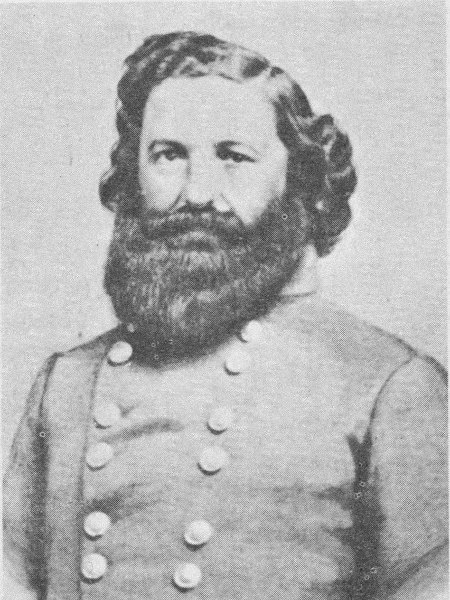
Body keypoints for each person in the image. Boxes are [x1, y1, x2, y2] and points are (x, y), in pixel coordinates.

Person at [3, 31, 447, 600]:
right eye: (168, 155)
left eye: (234, 157)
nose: (198, 192)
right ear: (134, 174)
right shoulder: (66, 383)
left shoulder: (388, 384)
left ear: (301, 179)